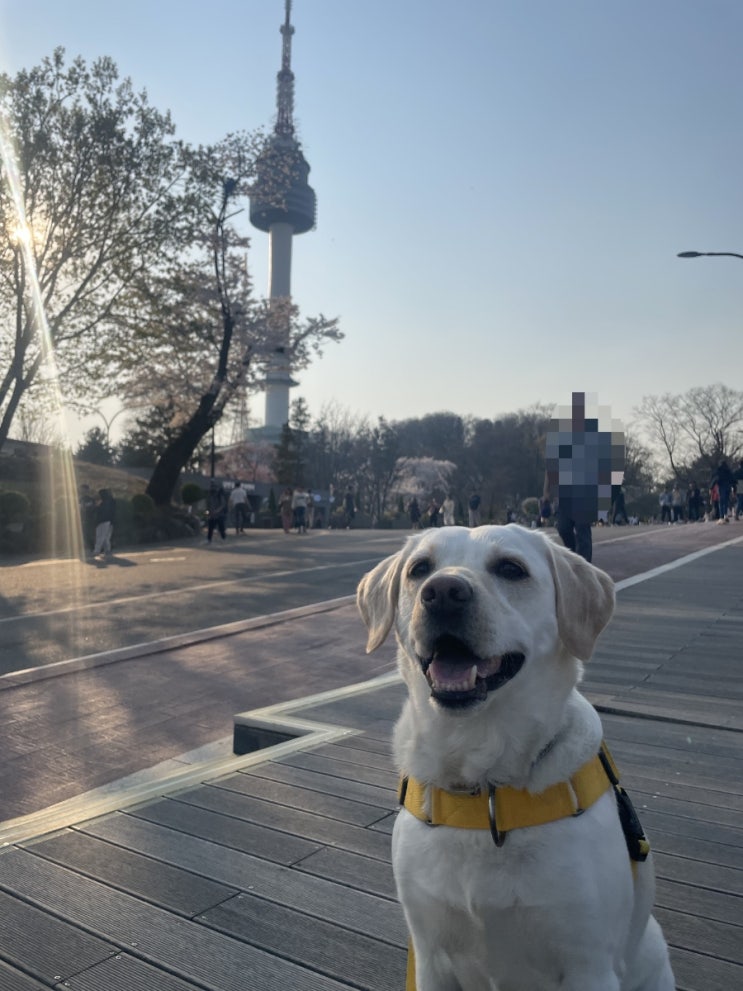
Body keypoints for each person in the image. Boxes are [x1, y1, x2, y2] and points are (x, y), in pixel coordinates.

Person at [92, 488, 116, 559]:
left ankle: (97, 550)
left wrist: (97, 506)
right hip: (109, 521)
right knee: (106, 537)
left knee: (100, 536)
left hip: (103, 521)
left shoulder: (104, 502)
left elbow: (100, 512)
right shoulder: (111, 501)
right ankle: (107, 550)